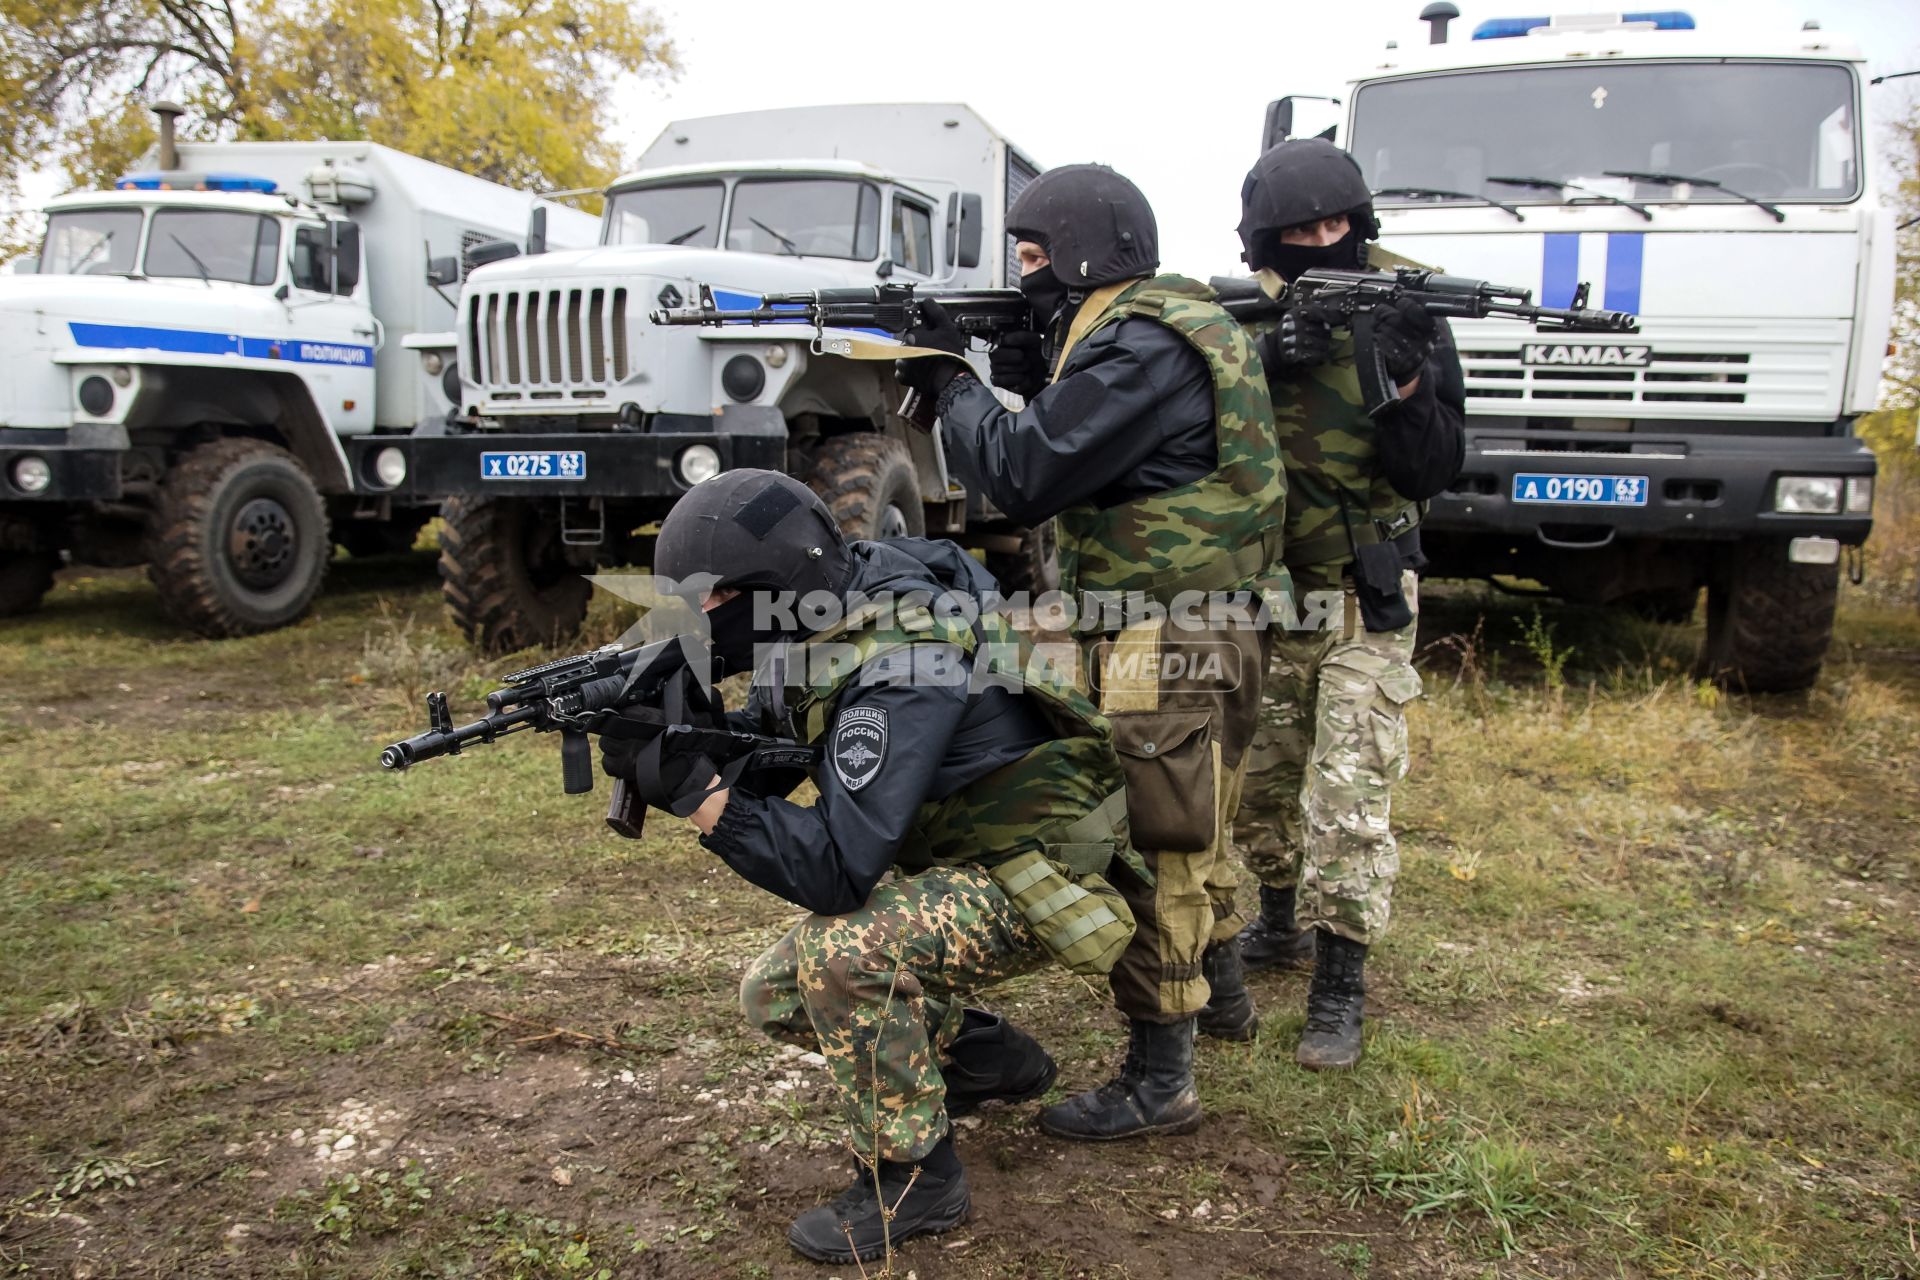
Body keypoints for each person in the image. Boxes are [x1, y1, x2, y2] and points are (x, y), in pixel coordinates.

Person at [597, 469, 1135, 1263]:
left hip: (1039, 871)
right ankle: (984, 1058)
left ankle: (915, 1179)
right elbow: (781, 752)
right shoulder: (826, 617)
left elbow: (838, 872)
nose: (698, 616)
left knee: (840, 956)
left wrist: (698, 793)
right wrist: (681, 735)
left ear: (772, 584)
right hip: (961, 858)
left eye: (711, 599)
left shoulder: (905, 658)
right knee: (775, 996)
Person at [894, 164, 1287, 1141]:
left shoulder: (1139, 345)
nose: (1023, 275)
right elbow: (1104, 444)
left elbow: (1024, 471)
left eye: (1032, 258)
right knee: (1198, 823)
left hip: (1174, 635)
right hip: (1202, 621)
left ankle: (1161, 1079)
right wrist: (1028, 365)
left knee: (1154, 843)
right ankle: (1224, 1000)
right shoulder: (1168, 326)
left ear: (1080, 256)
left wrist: (950, 380)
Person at [1228, 138, 1465, 1069]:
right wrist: (1264, 361)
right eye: (1301, 231)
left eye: (1339, 226)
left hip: (1369, 595)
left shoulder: (1406, 316)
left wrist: (1403, 384)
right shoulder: (1239, 323)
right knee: (1261, 786)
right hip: (1271, 596)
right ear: (1268, 242)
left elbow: (1437, 466)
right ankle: (1280, 924)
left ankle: (1340, 986)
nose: (1324, 242)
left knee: (1349, 796)